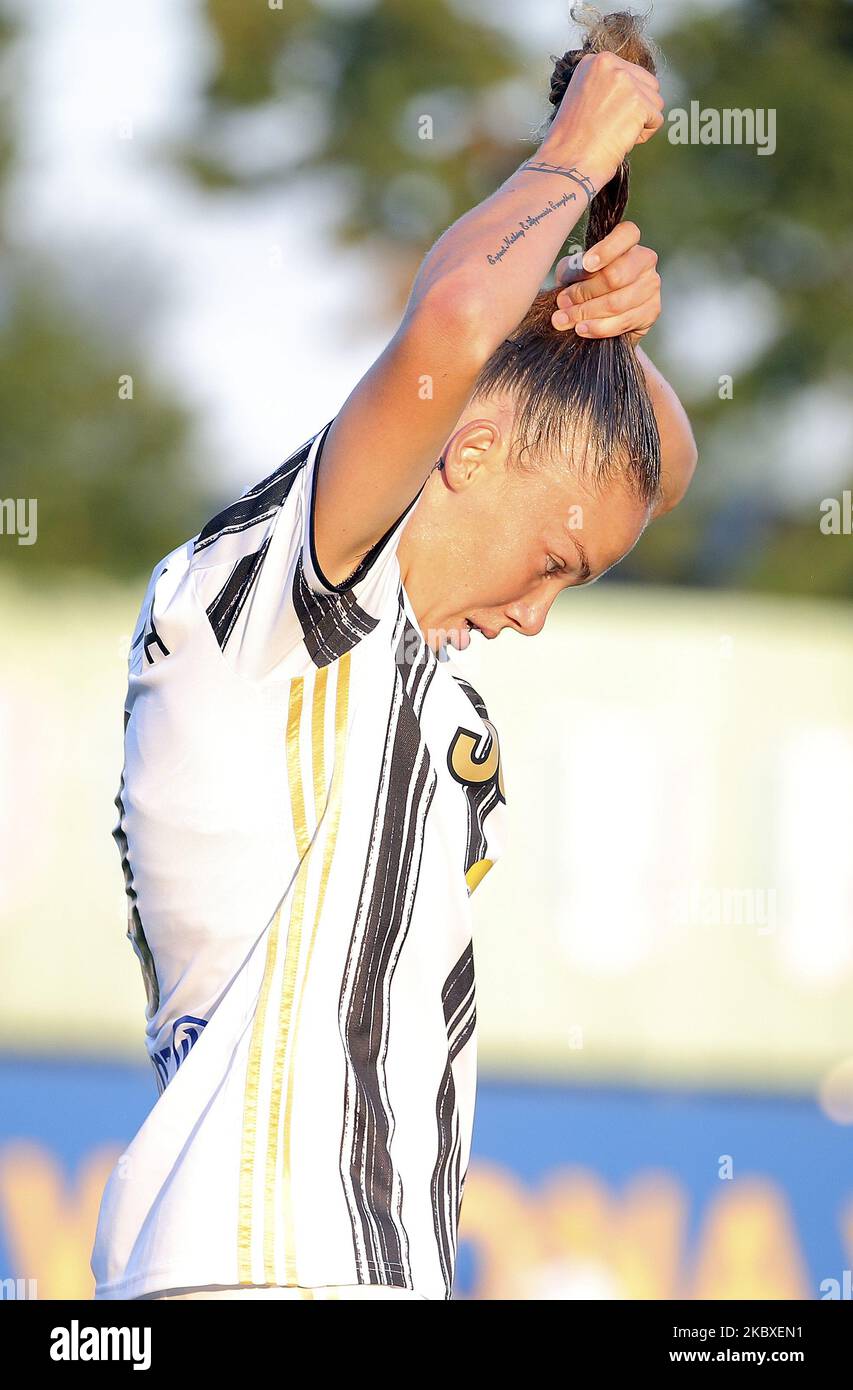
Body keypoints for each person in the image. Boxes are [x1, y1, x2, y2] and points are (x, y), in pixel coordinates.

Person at [91, 11, 696, 1302]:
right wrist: (578, 145)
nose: (534, 614)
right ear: (467, 453)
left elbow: (653, 460)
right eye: (553, 561)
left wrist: (609, 330)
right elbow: (449, 329)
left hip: (334, 1264)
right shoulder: (277, 602)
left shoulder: (385, 653)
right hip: (262, 1259)